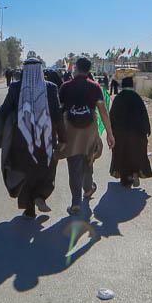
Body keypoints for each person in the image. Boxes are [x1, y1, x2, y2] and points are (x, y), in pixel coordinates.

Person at [0, 57, 63, 218]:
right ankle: (40, 196)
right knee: (46, 168)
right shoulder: (51, 88)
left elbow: (5, 109)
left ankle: (29, 208)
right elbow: (57, 115)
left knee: (25, 171)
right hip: (46, 138)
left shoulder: (16, 87)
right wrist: (63, 138)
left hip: (21, 138)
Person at [58, 57, 114, 215]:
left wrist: (57, 133)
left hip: (71, 131)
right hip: (90, 130)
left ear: (75, 68)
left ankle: (76, 202)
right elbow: (103, 112)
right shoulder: (95, 87)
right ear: (89, 69)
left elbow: (59, 111)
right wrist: (109, 134)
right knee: (88, 160)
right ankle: (88, 189)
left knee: (74, 165)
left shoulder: (65, 87)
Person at [108, 76, 152, 188]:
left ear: (122, 85)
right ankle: (135, 173)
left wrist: (110, 132)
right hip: (137, 133)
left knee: (122, 154)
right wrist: (147, 129)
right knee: (136, 154)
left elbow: (112, 116)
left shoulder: (118, 98)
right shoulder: (137, 97)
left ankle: (126, 179)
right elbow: (144, 115)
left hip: (121, 133)